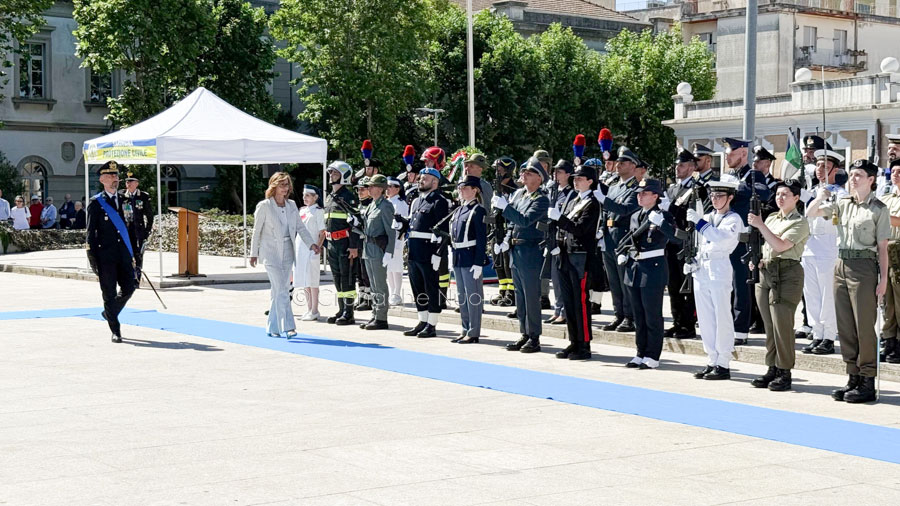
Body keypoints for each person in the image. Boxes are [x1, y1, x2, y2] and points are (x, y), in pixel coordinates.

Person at [808, 159, 890, 403]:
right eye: (852, 174)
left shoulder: (878, 209)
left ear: (871, 180)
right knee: (845, 325)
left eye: (859, 175)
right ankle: (852, 375)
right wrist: (820, 197)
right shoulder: (843, 204)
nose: (853, 179)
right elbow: (811, 214)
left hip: (864, 266)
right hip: (840, 263)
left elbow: (883, 248)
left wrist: (883, 279)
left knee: (864, 326)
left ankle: (867, 379)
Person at [747, 181, 810, 391]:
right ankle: (772, 367)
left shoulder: (800, 222)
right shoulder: (773, 218)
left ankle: (785, 371)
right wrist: (757, 258)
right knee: (770, 326)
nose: (780, 198)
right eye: (778, 194)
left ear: (796, 198)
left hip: (787, 273)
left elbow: (781, 245)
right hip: (767, 271)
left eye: (785, 194)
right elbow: (768, 246)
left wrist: (760, 225)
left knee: (782, 325)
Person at [617, 179, 680, 369]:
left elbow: (677, 239)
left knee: (652, 315)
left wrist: (663, 224)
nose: (639, 196)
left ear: (655, 196)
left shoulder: (664, 216)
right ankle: (640, 352)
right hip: (635, 268)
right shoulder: (636, 215)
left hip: (653, 268)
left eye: (644, 193)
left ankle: (653, 355)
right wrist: (624, 254)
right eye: (638, 193)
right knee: (638, 314)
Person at [685, 177, 742, 380]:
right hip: (703, 267)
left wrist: (699, 222)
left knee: (721, 316)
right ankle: (711, 358)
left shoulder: (734, 219)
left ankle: (724, 362)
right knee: (706, 317)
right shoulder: (708, 217)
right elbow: (700, 241)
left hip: (719, 266)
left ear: (730, 197)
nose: (715, 199)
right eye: (713, 195)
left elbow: (721, 238)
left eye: (720, 196)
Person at [493, 157, 550, 353]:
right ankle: (524, 333)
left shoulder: (542, 199)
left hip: (531, 250)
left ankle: (534, 336)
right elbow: (512, 223)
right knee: (520, 295)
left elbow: (525, 220)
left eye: (529, 173)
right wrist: (505, 239)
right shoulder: (519, 195)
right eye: (523, 171)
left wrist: (505, 207)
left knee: (531, 295)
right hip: (515, 250)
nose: (524, 175)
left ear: (540, 179)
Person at [250, 172, 316, 338]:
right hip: (270, 252)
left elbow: (300, 227)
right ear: (274, 186)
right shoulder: (264, 206)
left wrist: (312, 244)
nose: (285, 188)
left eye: (287, 185)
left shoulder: (292, 205)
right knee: (281, 289)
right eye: (282, 185)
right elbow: (256, 231)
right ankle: (288, 326)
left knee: (280, 289)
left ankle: (272, 327)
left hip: (288, 250)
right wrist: (253, 253)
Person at [720, 137, 771, 346]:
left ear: (742, 153)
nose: (727, 157)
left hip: (742, 240)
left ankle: (740, 329)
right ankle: (726, 324)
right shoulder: (726, 175)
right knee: (724, 284)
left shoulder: (753, 175)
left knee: (741, 285)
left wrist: (737, 188)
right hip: (724, 238)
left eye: (730, 153)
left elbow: (764, 193)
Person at [547, 164, 601, 360]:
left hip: (581, 257)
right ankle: (574, 341)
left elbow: (580, 229)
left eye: (580, 178)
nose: (576, 181)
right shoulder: (573, 201)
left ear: (590, 181)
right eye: (575, 178)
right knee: (569, 302)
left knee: (580, 303)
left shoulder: (593, 204)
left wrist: (559, 219)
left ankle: (584, 345)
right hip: (565, 254)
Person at [799, 148, 846, 355]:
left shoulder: (840, 194)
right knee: (811, 296)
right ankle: (817, 333)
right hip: (810, 249)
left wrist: (821, 197)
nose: (820, 169)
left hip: (828, 250)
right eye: (818, 165)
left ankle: (828, 336)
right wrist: (818, 196)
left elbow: (816, 213)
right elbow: (807, 217)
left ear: (836, 169)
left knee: (827, 296)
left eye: (825, 166)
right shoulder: (813, 192)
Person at [86, 161, 136, 343]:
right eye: (111, 176)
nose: (115, 178)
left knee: (130, 287)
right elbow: (90, 234)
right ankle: (116, 330)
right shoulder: (96, 203)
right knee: (108, 292)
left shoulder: (125, 200)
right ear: (102, 179)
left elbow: (131, 229)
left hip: (123, 254)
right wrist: (93, 260)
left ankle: (109, 312)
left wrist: (135, 255)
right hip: (105, 257)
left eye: (116, 175)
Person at [594, 146, 642, 333]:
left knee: (625, 280)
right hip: (609, 236)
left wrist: (604, 200)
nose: (619, 165)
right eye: (618, 162)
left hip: (623, 237)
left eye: (623, 162)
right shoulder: (614, 186)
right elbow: (605, 212)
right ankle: (619, 314)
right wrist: (601, 230)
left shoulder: (636, 187)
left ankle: (630, 317)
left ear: (633, 165)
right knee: (613, 280)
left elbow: (626, 209)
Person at [404, 166, 450, 337]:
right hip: (414, 250)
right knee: (417, 287)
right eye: (421, 177)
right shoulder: (417, 200)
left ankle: (432, 323)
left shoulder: (440, 201)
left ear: (435, 182)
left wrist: (438, 253)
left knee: (431, 287)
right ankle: (422, 319)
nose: (420, 180)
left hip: (428, 251)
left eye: (425, 178)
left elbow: (443, 231)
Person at [661, 148, 699, 339]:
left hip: (685, 242)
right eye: (677, 165)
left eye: (682, 165)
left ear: (692, 167)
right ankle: (677, 322)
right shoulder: (672, 189)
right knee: (673, 285)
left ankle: (688, 325)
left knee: (687, 287)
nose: (678, 168)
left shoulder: (697, 188)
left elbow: (691, 216)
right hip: (671, 242)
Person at [450, 176, 487, 343]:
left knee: (473, 296)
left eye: (466, 188)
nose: (462, 191)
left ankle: (473, 331)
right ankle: (465, 328)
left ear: (475, 190)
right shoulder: (458, 210)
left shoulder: (478, 210)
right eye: (461, 188)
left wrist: (479, 262)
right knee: (462, 296)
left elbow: (481, 238)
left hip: (471, 257)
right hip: (458, 257)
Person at [323, 161, 360, 325]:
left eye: (335, 173)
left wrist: (353, 245)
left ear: (344, 175)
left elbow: (355, 224)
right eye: (330, 173)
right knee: (337, 277)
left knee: (348, 277)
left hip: (345, 243)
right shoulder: (329, 197)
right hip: (332, 244)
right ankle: (341, 309)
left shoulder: (349, 198)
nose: (331, 176)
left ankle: (349, 312)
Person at [545, 159, 576, 326]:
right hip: (552, 237)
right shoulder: (553, 191)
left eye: (559, 172)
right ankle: (557, 309)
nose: (555, 175)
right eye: (555, 172)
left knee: (563, 277)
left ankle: (564, 311)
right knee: (555, 278)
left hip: (563, 239)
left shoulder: (571, 193)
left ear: (568, 174)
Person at [294, 184, 326, 321]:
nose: (304, 198)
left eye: (308, 195)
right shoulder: (302, 210)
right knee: (304, 280)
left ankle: (315, 310)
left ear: (315, 197)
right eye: (303, 195)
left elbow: (322, 232)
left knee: (312, 280)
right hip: (300, 249)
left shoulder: (318, 211)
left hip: (311, 249)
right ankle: (308, 309)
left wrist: (318, 248)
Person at [490, 156, 519, 307]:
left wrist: (508, 235)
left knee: (508, 264)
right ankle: (503, 291)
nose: (497, 173)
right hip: (497, 230)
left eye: (500, 170)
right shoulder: (496, 188)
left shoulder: (515, 190)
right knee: (498, 263)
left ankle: (512, 293)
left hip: (509, 232)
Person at [880, 159, 900, 364]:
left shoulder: (885, 205)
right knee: (889, 301)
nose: (896, 175)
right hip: (887, 248)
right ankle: (889, 339)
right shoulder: (887, 198)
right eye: (893, 171)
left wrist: (882, 215)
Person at [123, 172, 154, 271]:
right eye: (127, 182)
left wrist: (147, 231)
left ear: (137, 183)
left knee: (138, 255)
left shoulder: (143, 196)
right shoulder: (122, 195)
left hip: (139, 231)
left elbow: (149, 215)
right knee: (126, 254)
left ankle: (137, 276)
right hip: (126, 230)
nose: (129, 184)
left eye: (131, 182)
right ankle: (129, 277)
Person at [385, 177, 408, 306]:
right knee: (388, 266)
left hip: (397, 237)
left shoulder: (400, 203)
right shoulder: (386, 202)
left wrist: (400, 240)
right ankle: (391, 291)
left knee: (396, 266)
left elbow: (404, 223)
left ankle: (397, 293)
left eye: (390, 186)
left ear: (397, 189)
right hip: (387, 238)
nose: (387, 189)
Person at [354, 177, 373, 312]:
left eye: (363, 189)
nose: (360, 192)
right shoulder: (357, 204)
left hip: (368, 242)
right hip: (357, 242)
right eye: (358, 189)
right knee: (359, 272)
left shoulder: (371, 204)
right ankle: (361, 297)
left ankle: (368, 299)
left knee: (366, 273)